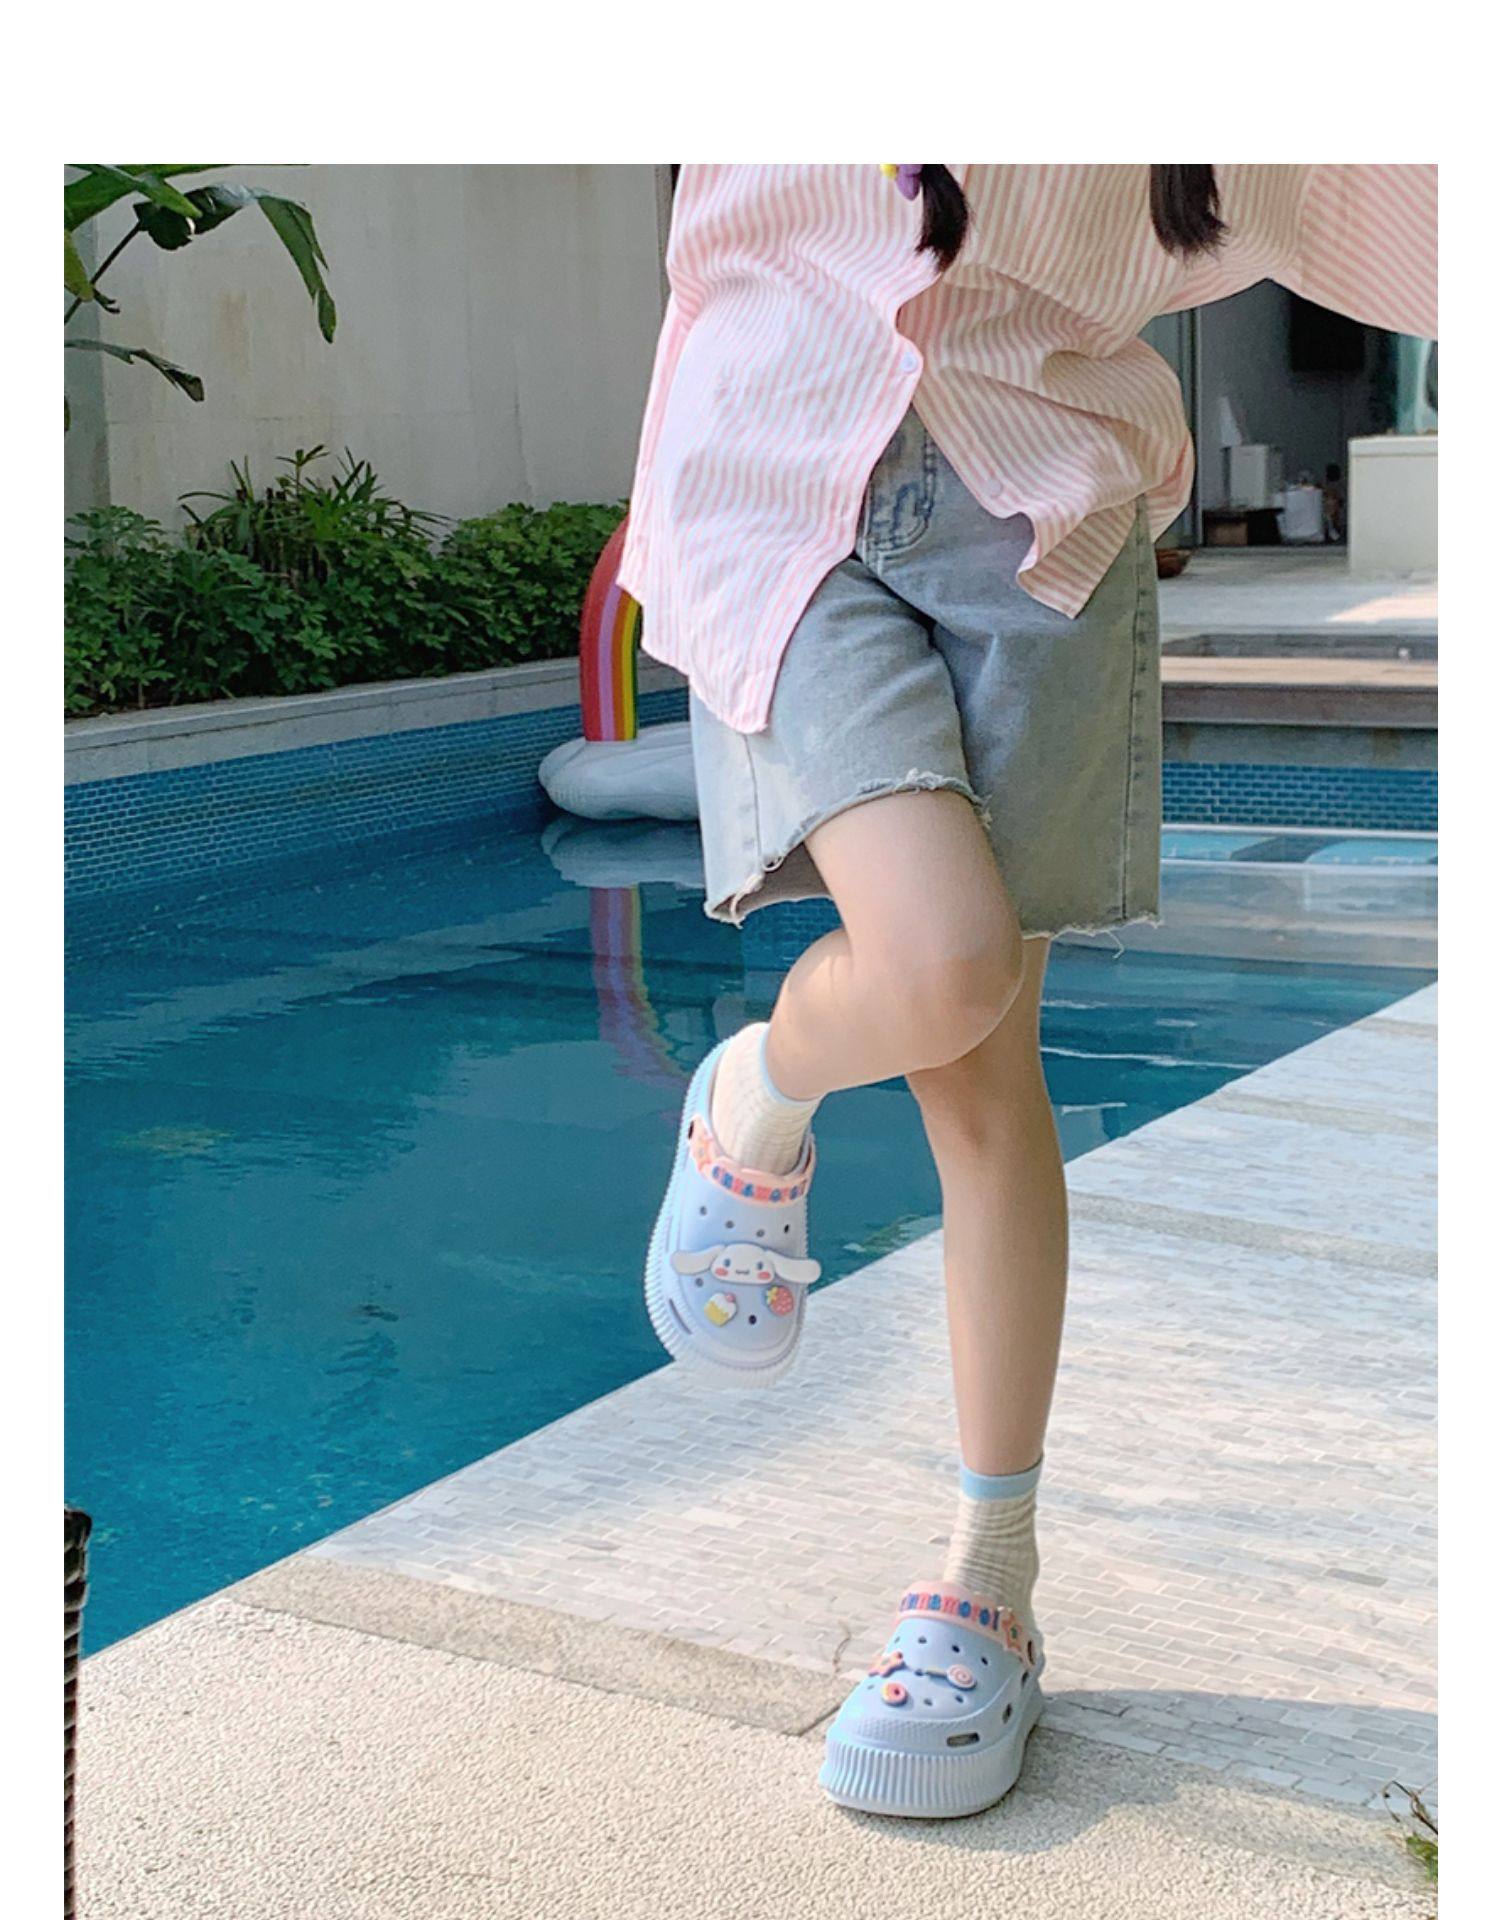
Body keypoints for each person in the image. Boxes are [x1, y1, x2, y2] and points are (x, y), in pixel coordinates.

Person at [624, 164, 1437, 1819]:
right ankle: (761, 1089)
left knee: (988, 1071)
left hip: (1041, 524)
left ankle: (989, 1580)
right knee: (942, 963)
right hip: (780, 483)